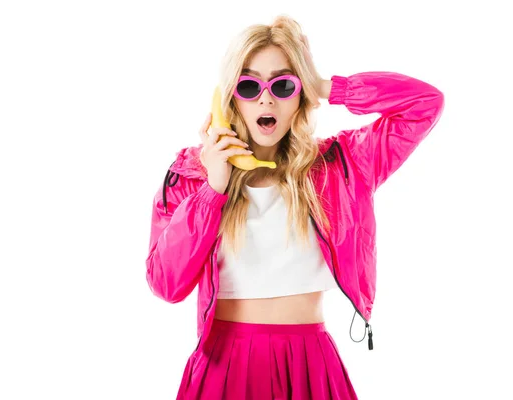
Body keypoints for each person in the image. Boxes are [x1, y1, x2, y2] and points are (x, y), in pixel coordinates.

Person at [145, 14, 444, 400]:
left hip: (309, 365)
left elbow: (424, 105)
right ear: (228, 97)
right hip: (224, 366)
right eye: (249, 85)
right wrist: (213, 188)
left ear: (299, 94)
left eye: (283, 84)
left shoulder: (342, 166)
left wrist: (326, 86)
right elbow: (165, 284)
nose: (266, 98)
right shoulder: (191, 174)